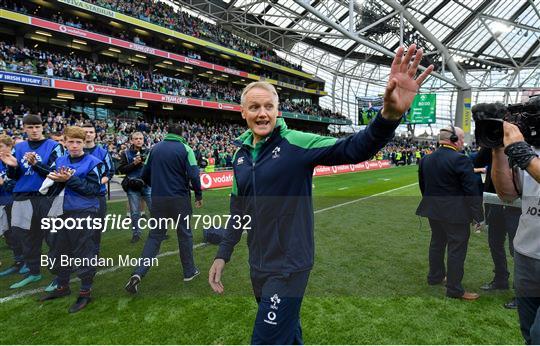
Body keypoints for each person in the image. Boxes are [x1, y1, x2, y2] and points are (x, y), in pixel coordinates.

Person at [208, 44, 434, 344]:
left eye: (268, 107)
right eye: (254, 107)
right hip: (258, 264)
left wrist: (388, 117)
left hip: (290, 265)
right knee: (287, 334)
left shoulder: (296, 143)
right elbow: (239, 213)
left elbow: (353, 149)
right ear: (243, 112)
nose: (262, 114)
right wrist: (223, 255)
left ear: (278, 110)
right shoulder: (240, 157)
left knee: (265, 340)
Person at [125, 124, 203, 293]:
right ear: (182, 134)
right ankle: (189, 271)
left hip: (159, 199)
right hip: (179, 199)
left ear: (167, 133)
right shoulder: (186, 149)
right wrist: (198, 195)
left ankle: (138, 273)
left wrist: (158, 186)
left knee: (154, 237)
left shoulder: (154, 149)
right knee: (184, 234)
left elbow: (144, 174)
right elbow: (194, 175)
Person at [39, 126, 103, 313]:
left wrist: (69, 179)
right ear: (64, 142)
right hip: (59, 212)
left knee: (84, 251)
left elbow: (93, 190)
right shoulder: (59, 160)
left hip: (83, 212)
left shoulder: (93, 162)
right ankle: (62, 286)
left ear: (84, 143)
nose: (74, 145)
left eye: (78, 142)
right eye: (71, 141)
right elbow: (49, 182)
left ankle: (85, 292)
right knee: (58, 251)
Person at [416, 125, 484, 300]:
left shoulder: (426, 159)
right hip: (455, 214)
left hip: (433, 210)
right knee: (456, 249)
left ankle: (435, 277)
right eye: (461, 139)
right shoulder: (461, 159)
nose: (463, 143)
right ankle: (454, 289)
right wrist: (479, 217)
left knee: (437, 243)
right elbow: (471, 191)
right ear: (454, 140)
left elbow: (424, 187)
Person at [0, 114, 63, 288]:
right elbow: (13, 177)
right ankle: (34, 272)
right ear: (24, 129)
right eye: (30, 127)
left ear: (42, 127)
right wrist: (12, 167)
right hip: (22, 197)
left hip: (46, 197)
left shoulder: (54, 146)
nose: (34, 130)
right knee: (26, 238)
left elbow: (53, 174)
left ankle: (60, 276)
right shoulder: (19, 148)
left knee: (53, 237)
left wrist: (35, 164)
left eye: (37, 127)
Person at [491, 121, 540, 345]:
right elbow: (507, 194)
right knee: (528, 331)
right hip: (527, 253)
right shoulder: (531, 153)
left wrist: (521, 153)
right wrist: (498, 147)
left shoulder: (527, 155)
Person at [474, 146, 520, 308]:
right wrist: (492, 145)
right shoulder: (494, 143)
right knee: (495, 243)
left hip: (517, 202)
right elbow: (478, 160)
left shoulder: (521, 140)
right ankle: (500, 279)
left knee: (517, 249)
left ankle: (521, 292)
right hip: (494, 200)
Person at [118, 132, 151, 243]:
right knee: (135, 212)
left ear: (143, 140)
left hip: (147, 185)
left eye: (140, 138)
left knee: (154, 210)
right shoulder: (125, 153)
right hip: (133, 185)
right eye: (136, 138)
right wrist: (134, 163)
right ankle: (136, 234)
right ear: (131, 140)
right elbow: (121, 169)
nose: (138, 140)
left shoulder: (149, 152)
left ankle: (158, 232)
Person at [0, 135, 23, 277]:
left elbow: (20, 181)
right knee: (10, 234)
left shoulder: (16, 159)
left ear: (10, 146)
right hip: (3, 202)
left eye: (1, 146)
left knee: (21, 233)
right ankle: (19, 261)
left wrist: (4, 183)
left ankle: (27, 262)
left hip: (16, 200)